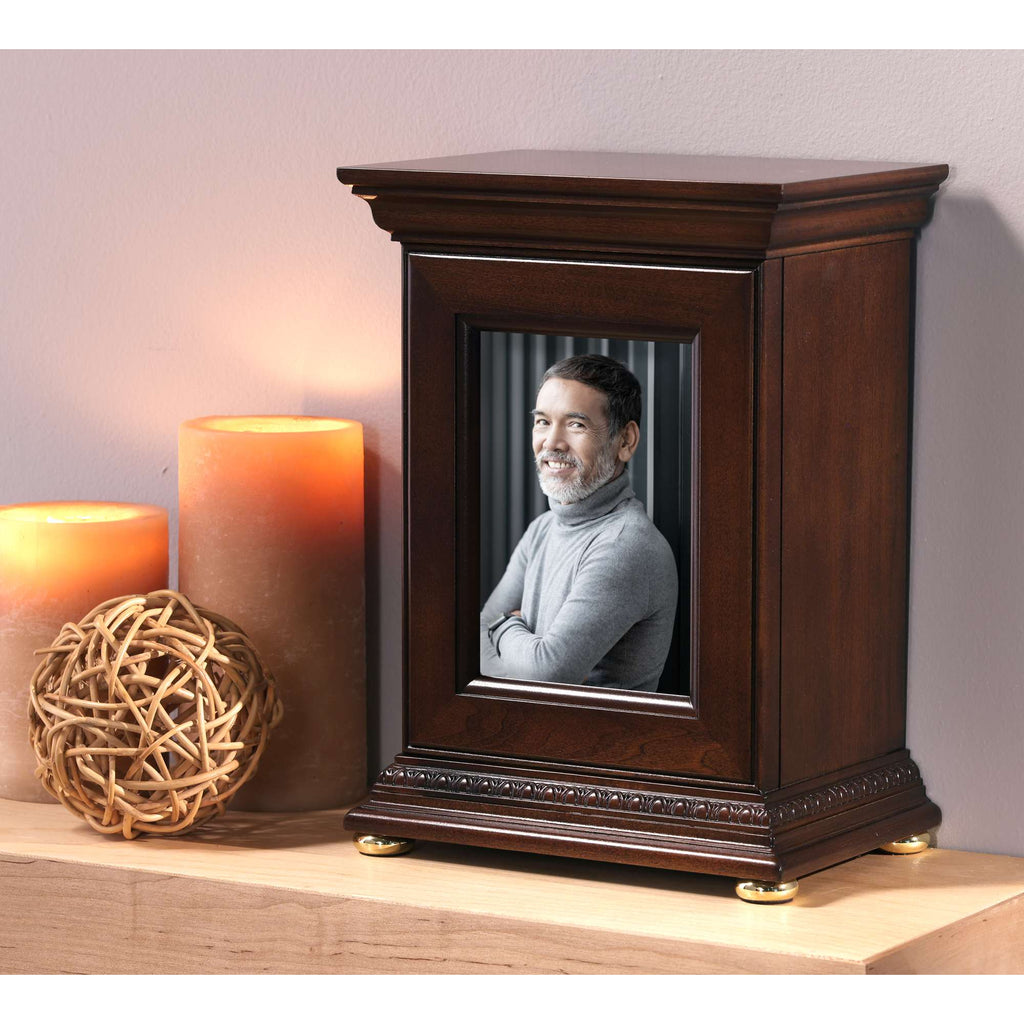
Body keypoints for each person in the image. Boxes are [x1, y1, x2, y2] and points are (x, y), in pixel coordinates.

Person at [480, 354, 678, 691]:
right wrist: (516, 643)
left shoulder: (625, 545)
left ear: (625, 441)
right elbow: (476, 636)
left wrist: (503, 628)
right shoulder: (542, 529)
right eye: (543, 421)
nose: (552, 443)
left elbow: (545, 674)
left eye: (576, 425)